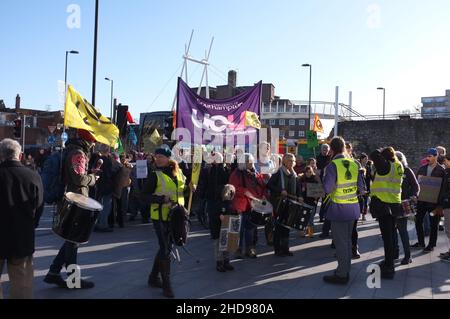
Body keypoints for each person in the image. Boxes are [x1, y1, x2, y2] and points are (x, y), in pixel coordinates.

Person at [44, 129, 99, 289]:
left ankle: (53, 273)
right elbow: (79, 178)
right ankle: (74, 280)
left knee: (71, 239)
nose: (94, 144)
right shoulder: (78, 153)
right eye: (93, 141)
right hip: (77, 201)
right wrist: (93, 178)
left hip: (70, 198)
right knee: (74, 240)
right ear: (88, 141)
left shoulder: (71, 150)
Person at [141, 146, 188, 298]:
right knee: (166, 249)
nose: (158, 158)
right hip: (160, 217)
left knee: (166, 247)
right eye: (157, 156)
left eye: (161, 156)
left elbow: (180, 191)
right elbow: (143, 196)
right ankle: (166, 285)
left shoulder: (179, 172)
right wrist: (161, 199)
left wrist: (190, 189)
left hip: (176, 216)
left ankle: (153, 277)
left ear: (169, 158)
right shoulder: (155, 175)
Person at [0, 139, 44, 299]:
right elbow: (39, 207)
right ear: (20, 155)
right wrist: (32, 225)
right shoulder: (32, 176)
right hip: (22, 236)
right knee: (22, 284)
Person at [322, 137, 364, 285]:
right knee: (347, 242)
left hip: (338, 209)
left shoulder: (333, 165)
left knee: (341, 244)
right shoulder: (354, 163)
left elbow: (327, 188)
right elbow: (361, 188)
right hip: (353, 208)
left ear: (332, 150)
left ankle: (342, 274)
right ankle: (344, 270)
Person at [369, 147, 404, 279]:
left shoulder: (385, 166)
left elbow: (373, 153)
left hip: (384, 205)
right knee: (391, 236)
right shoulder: (398, 164)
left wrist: (380, 150)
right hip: (394, 204)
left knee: (387, 238)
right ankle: (389, 262)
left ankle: (389, 268)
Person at [229, 153, 267, 259]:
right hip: (241, 205)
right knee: (240, 230)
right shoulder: (236, 173)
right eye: (248, 161)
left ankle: (250, 249)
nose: (250, 163)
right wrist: (245, 191)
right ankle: (238, 250)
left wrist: (264, 195)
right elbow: (233, 188)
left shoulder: (255, 172)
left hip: (254, 205)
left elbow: (263, 186)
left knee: (251, 229)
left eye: (251, 161)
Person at [412, 148, 446, 252]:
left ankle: (431, 245)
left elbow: (444, 188)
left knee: (433, 224)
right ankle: (421, 242)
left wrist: (440, 203)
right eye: (427, 156)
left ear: (436, 156)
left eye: (430, 156)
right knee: (418, 221)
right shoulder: (422, 168)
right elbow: (417, 183)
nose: (428, 158)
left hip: (434, 203)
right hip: (422, 201)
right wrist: (415, 195)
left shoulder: (441, 170)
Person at [268, 153, 298, 256]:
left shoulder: (294, 174)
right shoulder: (278, 172)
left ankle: (285, 248)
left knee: (287, 227)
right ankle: (278, 250)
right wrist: (280, 190)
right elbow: (269, 185)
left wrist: (301, 196)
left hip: (290, 203)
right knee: (279, 227)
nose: (292, 163)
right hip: (279, 203)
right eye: (290, 160)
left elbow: (297, 188)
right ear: (284, 161)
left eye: (293, 161)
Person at [394, 151, 419, 265]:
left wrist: (413, 196)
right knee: (391, 231)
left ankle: (407, 256)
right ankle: (394, 253)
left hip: (402, 204)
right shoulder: (390, 170)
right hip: (390, 203)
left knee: (402, 231)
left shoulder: (407, 170)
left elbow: (416, 186)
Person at [215, 185, 237, 272]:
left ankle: (226, 261)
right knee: (219, 246)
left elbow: (234, 212)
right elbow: (217, 214)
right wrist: (220, 215)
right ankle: (219, 263)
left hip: (227, 228)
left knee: (227, 245)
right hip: (219, 228)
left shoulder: (231, 203)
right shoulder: (220, 203)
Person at [298, 166, 321, 238]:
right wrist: (300, 196)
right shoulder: (301, 180)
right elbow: (298, 190)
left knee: (311, 219)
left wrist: (316, 197)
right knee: (303, 218)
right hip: (304, 201)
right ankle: (302, 232)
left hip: (312, 202)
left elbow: (319, 192)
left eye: (310, 172)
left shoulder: (315, 180)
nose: (309, 173)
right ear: (305, 172)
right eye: (307, 172)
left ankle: (310, 233)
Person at [439, 154, 450, 262]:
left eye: (446, 161)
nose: (444, 162)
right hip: (446, 204)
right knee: (448, 229)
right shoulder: (447, 171)